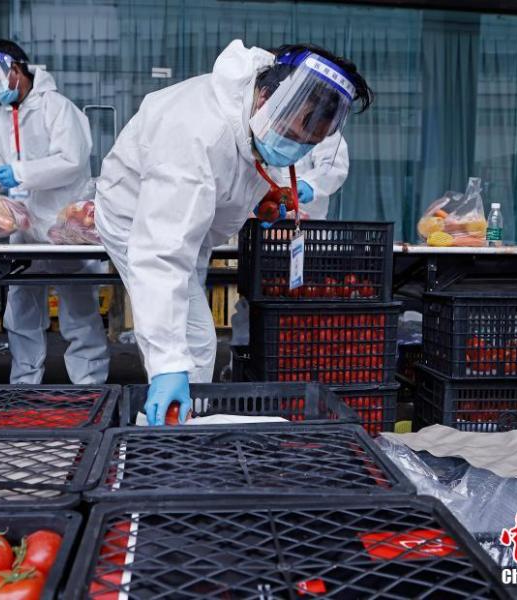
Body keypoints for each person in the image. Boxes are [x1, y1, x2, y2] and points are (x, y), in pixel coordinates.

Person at [95, 40, 372, 425]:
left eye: (307, 144)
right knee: (191, 341)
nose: (293, 150)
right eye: (291, 136)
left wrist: (263, 196)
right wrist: (167, 366)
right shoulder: (194, 131)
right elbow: (160, 253)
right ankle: (168, 430)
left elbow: (241, 166)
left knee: (192, 331)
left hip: (193, 229)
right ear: (265, 98)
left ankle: (179, 424)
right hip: (136, 221)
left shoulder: (252, 113)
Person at [0, 40, 109, 385]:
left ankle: (90, 385)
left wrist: (21, 172)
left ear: (16, 70)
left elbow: (72, 160)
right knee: (21, 308)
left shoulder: (57, 108)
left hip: (64, 224)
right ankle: (24, 383)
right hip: (23, 229)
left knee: (78, 306)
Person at [265, 131, 349, 220]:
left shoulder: (324, 127)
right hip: (265, 213)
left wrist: (311, 183)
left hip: (309, 221)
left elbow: (332, 165)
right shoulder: (261, 124)